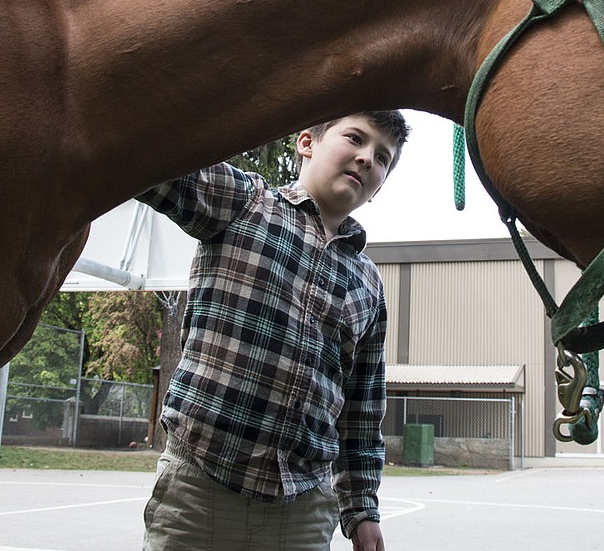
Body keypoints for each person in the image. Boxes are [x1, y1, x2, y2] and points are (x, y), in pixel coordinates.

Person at [137, 111, 410, 551]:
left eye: (382, 157)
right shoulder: (245, 202)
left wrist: (361, 509)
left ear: (380, 185)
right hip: (199, 488)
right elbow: (153, 163)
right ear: (306, 143)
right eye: (355, 139)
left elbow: (361, 410)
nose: (366, 159)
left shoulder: (369, 285)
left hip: (303, 512)